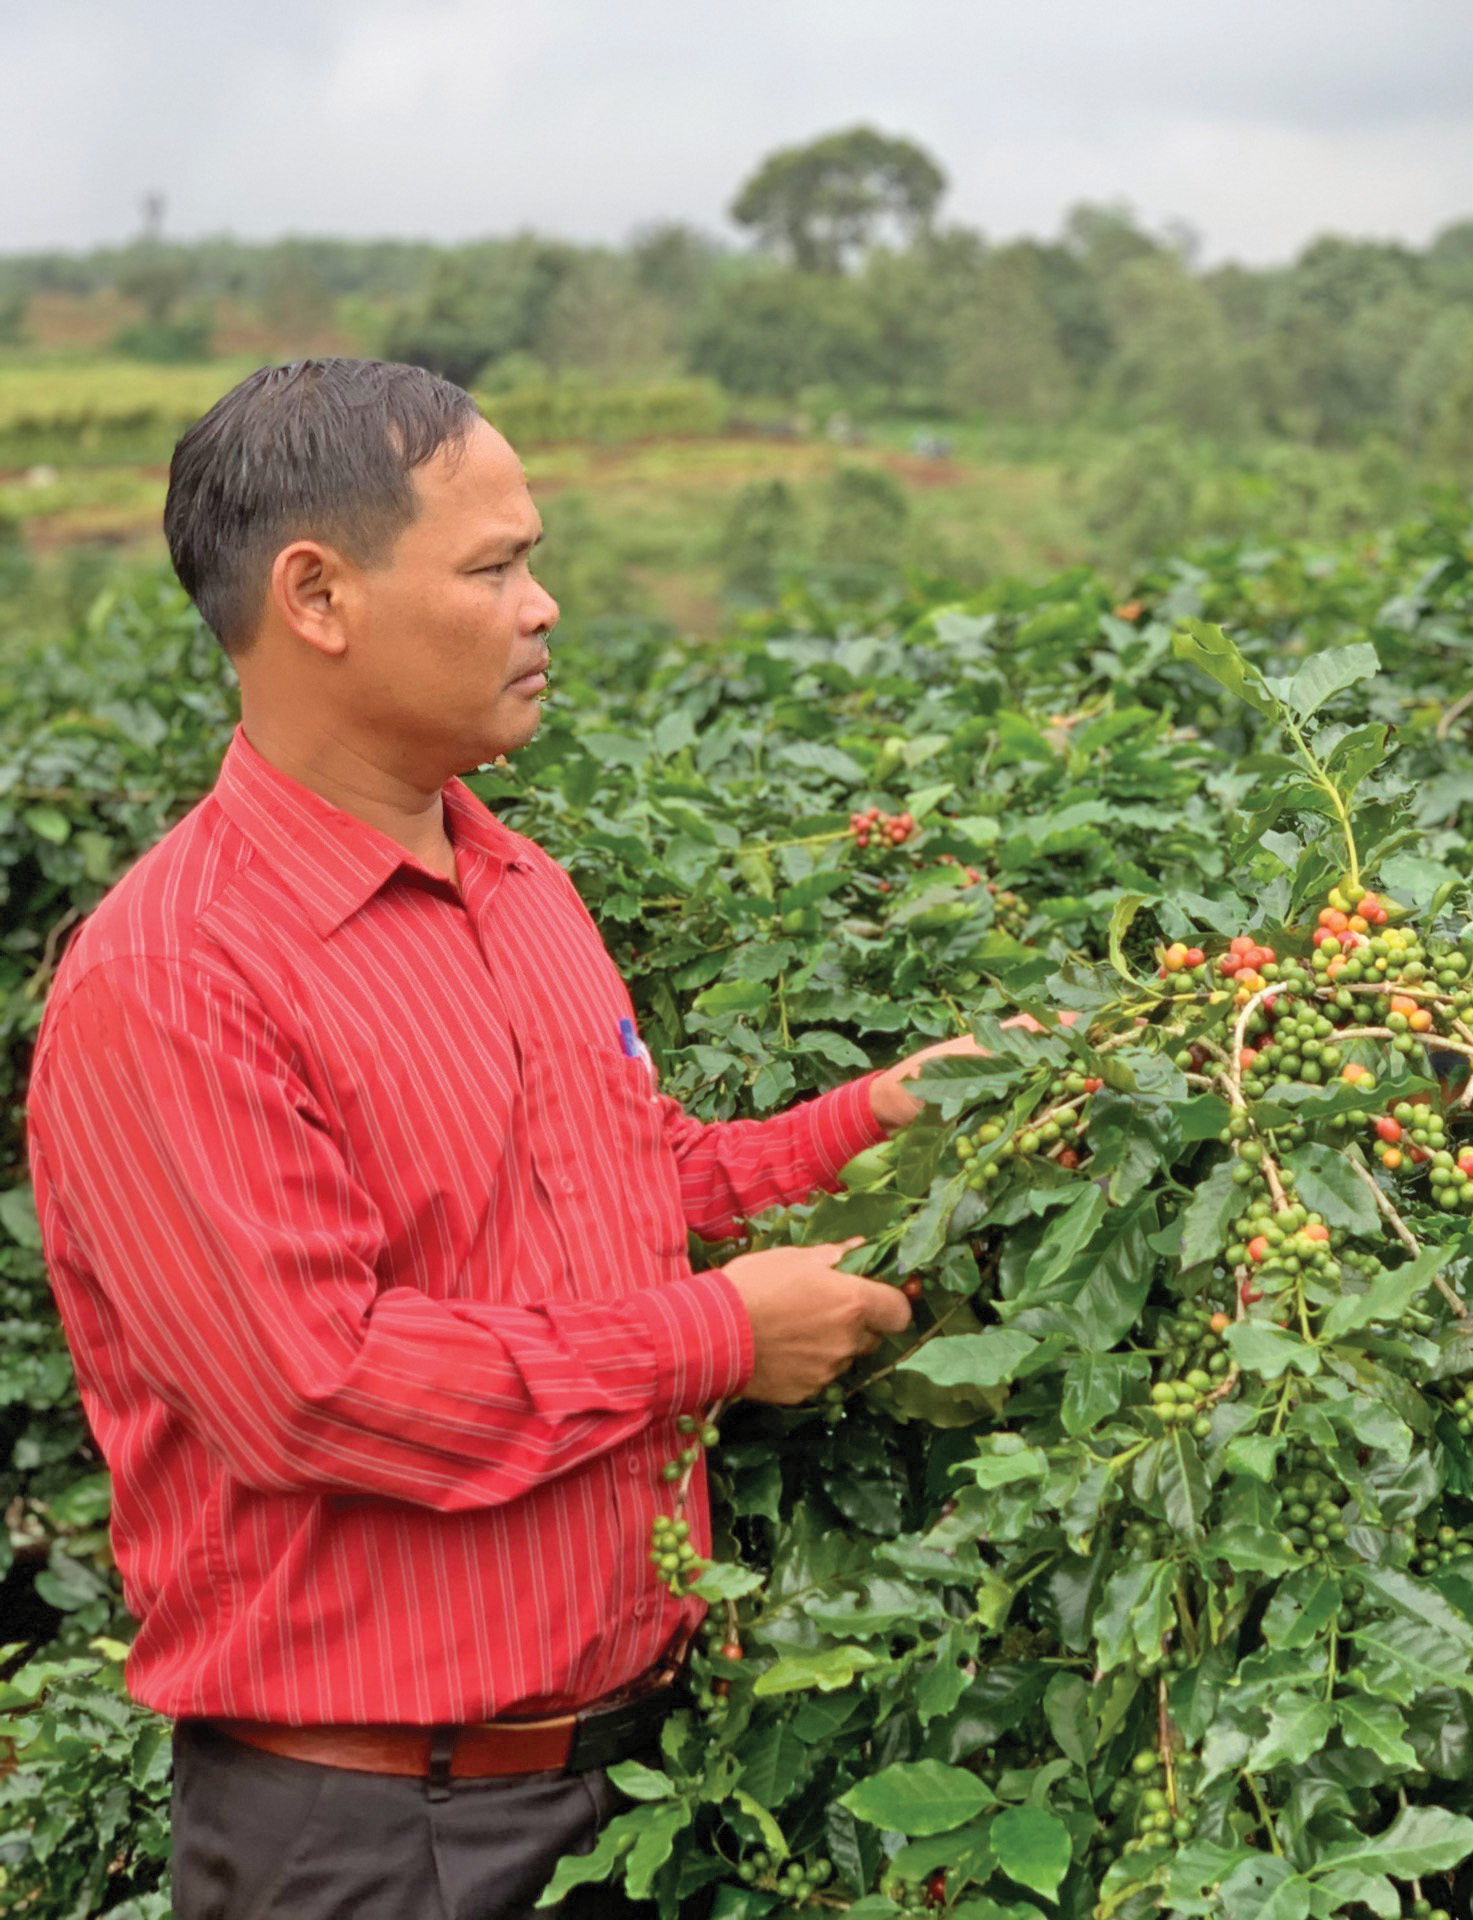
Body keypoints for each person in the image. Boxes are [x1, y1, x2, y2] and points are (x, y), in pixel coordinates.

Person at [22, 359, 1001, 1917]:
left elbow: (633, 1180)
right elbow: (315, 1388)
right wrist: (715, 1342)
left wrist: (874, 1119)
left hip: (611, 1786)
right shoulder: (176, 979)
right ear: (317, 596)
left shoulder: (518, 883)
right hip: (367, 1837)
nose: (543, 607)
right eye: (494, 567)